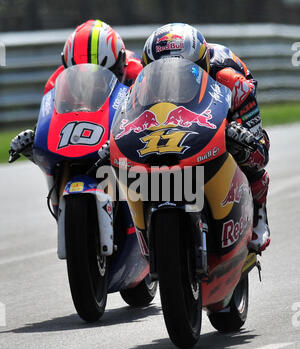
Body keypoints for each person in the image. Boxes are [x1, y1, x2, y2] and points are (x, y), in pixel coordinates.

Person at [141, 23, 270, 253]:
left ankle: (259, 211)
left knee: (252, 153)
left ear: (202, 65)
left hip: (224, 108)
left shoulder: (231, 80)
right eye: (162, 74)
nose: (172, 80)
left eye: (183, 72)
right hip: (174, 118)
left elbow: (261, 149)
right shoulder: (144, 84)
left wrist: (239, 134)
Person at [9, 19, 143, 163]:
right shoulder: (55, 83)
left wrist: (124, 144)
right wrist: (34, 147)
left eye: (104, 74)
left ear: (121, 64)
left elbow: (148, 121)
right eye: (82, 74)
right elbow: (51, 125)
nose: (94, 82)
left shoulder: (138, 74)